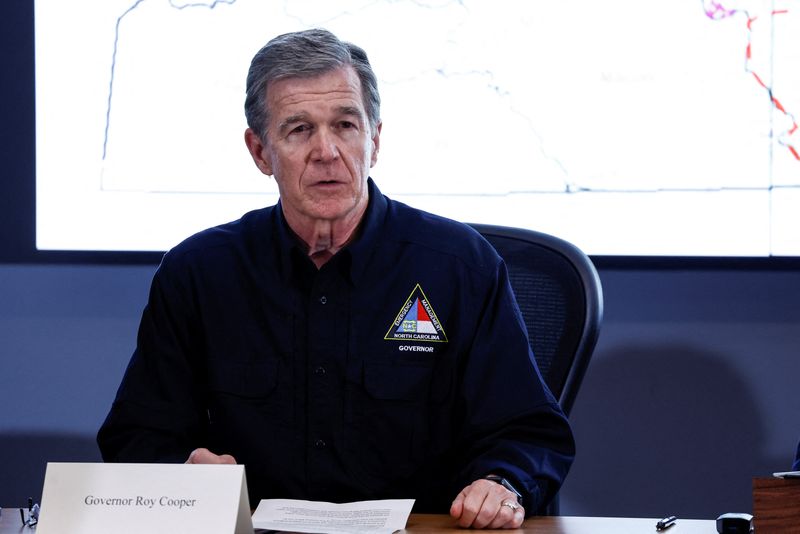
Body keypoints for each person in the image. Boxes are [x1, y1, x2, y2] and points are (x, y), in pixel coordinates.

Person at [97, 28, 575, 529]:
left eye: (345, 125)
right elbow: (138, 435)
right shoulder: (197, 273)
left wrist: (501, 482)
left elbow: (529, 431)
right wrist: (183, 470)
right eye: (299, 130)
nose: (327, 151)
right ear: (260, 152)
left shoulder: (459, 266)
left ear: (375, 140)